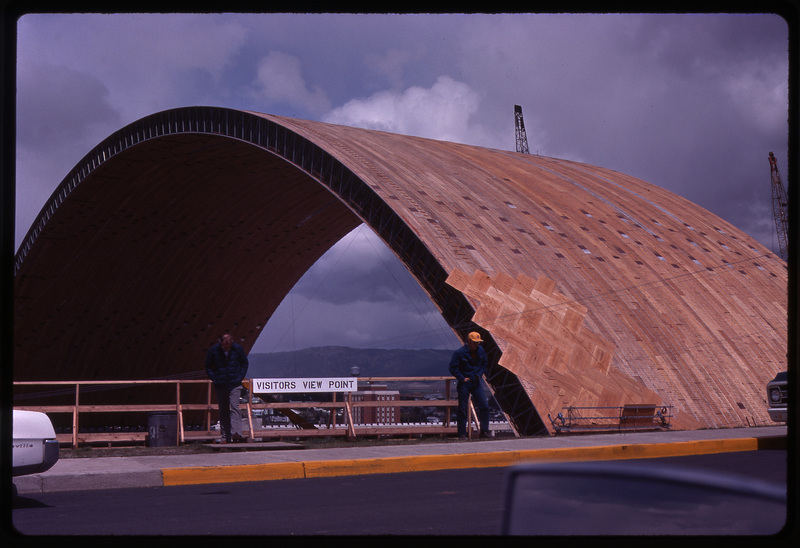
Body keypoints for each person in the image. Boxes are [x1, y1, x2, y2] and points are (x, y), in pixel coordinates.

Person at [205, 333, 249, 443]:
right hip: (221, 384)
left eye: (228, 347)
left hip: (234, 383)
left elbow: (244, 363)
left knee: (235, 407)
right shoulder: (213, 351)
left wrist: (239, 377)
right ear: (220, 343)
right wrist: (215, 379)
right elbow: (208, 366)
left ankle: (236, 433)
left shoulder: (238, 349)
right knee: (223, 410)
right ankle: (225, 437)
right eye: (225, 347)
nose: (227, 349)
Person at [448, 331, 490, 439]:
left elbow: (484, 364)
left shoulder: (481, 351)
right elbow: (452, 367)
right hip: (465, 384)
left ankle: (484, 431)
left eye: (478, 342)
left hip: (476, 382)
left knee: (484, 406)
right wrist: (462, 378)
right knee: (462, 408)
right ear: (469, 341)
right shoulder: (459, 353)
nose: (477, 344)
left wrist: (479, 375)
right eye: (475, 342)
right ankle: (462, 433)